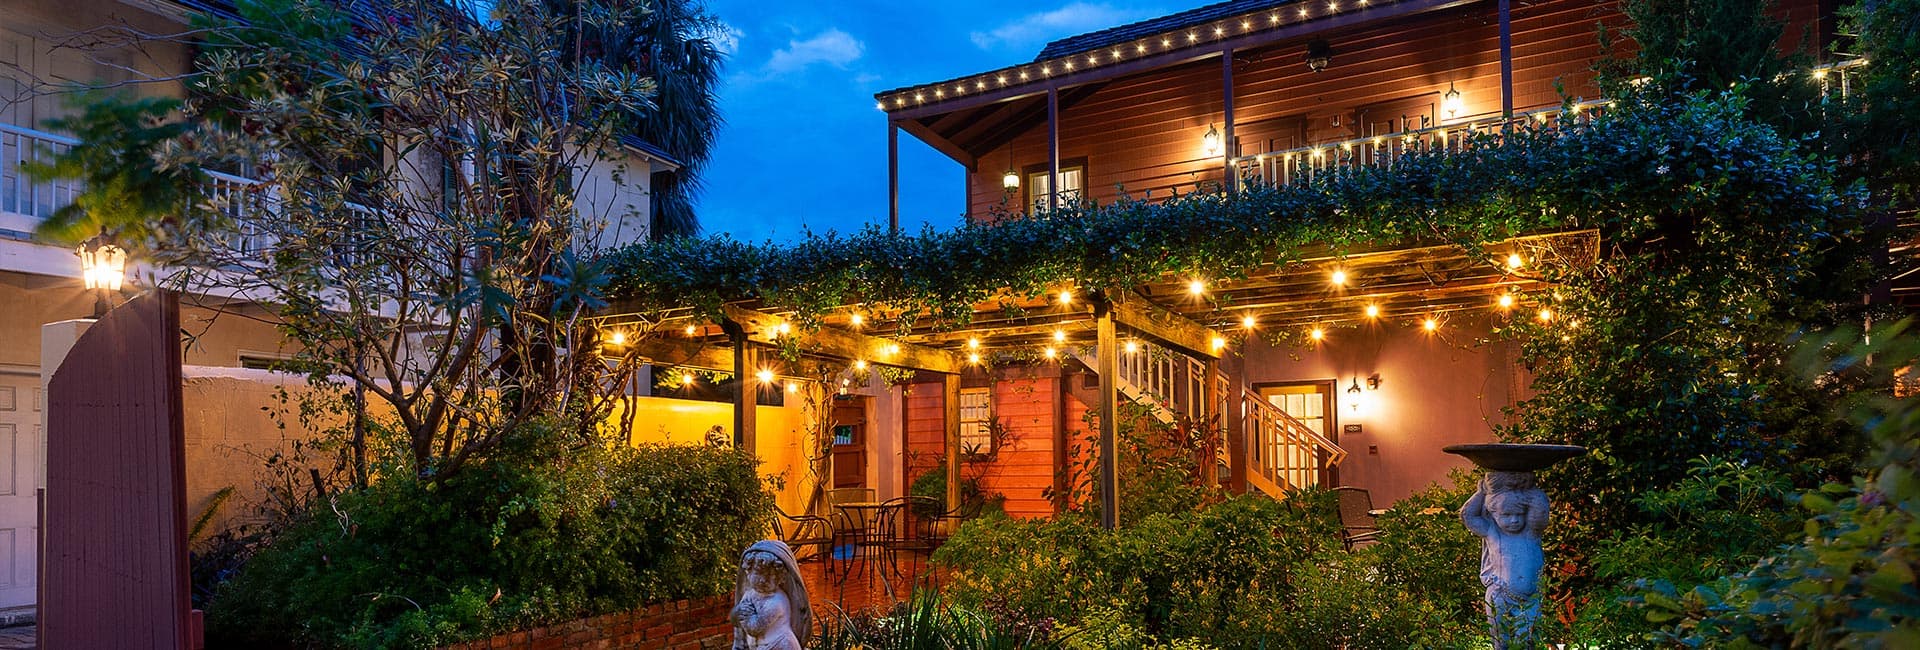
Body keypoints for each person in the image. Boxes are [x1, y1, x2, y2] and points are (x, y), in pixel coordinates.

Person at [1461, 472, 1550, 649]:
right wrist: (1481, 492)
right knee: (1501, 643)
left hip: (1531, 598)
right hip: (1501, 596)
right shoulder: (1493, 533)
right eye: (1506, 515)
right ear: (1493, 514)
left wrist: (1530, 491)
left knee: (1530, 642)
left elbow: (1540, 513)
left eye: (1519, 514)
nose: (1514, 520)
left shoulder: (1531, 533)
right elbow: (1467, 516)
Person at [731, 540, 810, 650]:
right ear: (748, 572)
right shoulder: (749, 594)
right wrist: (736, 613)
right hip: (761, 646)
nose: (763, 580)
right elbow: (735, 620)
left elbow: (755, 628)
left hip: (780, 645)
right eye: (758, 573)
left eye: (770, 576)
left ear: (781, 578)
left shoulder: (776, 601)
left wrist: (743, 614)